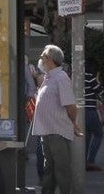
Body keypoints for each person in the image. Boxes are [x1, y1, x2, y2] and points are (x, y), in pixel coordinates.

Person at [31, 44, 82, 194]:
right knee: (49, 168)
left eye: (43, 56)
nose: (40, 59)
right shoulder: (49, 77)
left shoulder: (60, 77)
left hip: (57, 132)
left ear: (50, 59)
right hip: (47, 132)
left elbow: (70, 105)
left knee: (62, 168)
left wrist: (73, 124)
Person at [84, 58, 103, 172]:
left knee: (87, 136)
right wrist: (98, 80)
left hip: (81, 111)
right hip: (90, 110)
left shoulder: (79, 77)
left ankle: (83, 161)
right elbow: (100, 91)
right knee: (98, 134)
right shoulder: (90, 77)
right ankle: (91, 161)